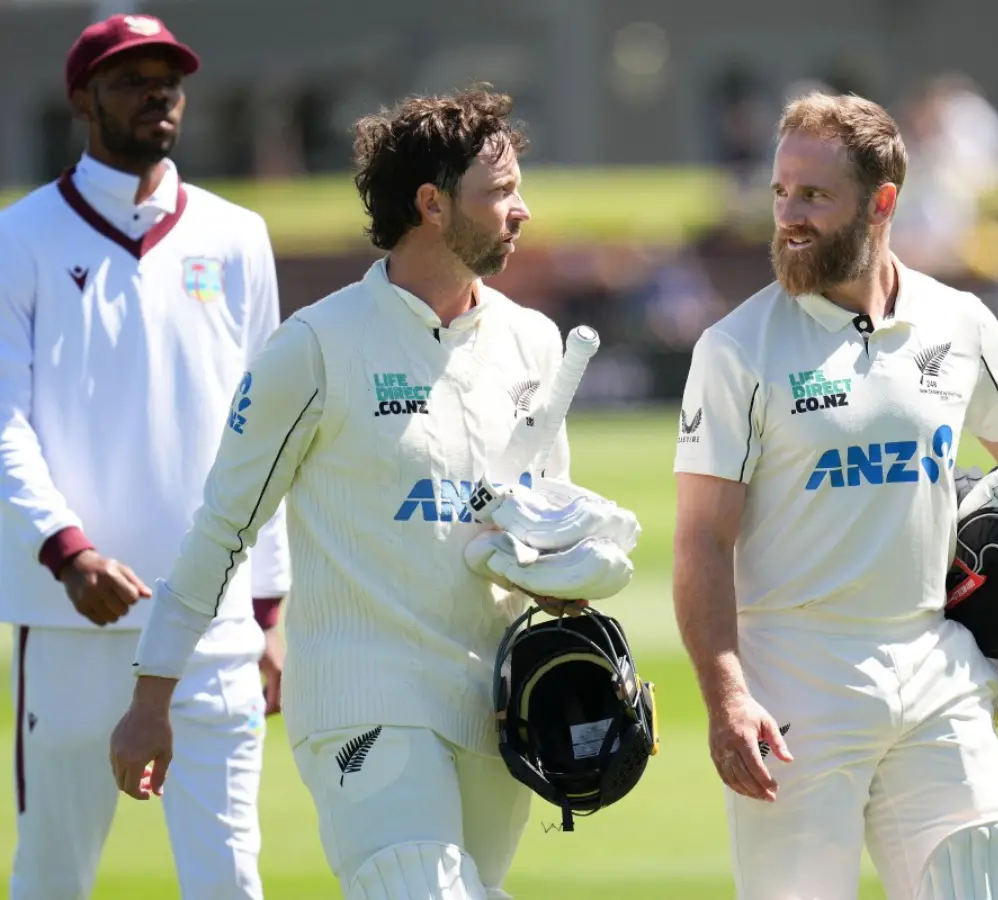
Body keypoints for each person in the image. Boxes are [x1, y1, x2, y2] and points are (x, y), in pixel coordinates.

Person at [108, 86, 632, 900]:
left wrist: (571, 582)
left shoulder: (533, 340)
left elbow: (534, 524)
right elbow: (222, 531)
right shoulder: (315, 347)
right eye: (499, 192)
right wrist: (153, 694)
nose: (522, 210)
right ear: (431, 204)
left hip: (494, 706)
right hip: (364, 700)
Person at [671, 92, 998, 900]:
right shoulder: (736, 348)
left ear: (881, 203)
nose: (788, 216)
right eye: (780, 192)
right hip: (795, 684)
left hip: (936, 662)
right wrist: (727, 693)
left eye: (814, 195)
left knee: (983, 885)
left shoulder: (957, 320)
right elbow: (702, 540)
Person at [0, 13, 290, 900]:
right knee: (54, 876)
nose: (156, 93)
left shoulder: (237, 235)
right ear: (83, 98)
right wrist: (67, 550)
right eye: (130, 79)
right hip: (69, 618)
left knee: (230, 880)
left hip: (214, 618)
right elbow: (3, 419)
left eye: (168, 77)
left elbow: (268, 432)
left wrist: (271, 607)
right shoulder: (21, 238)